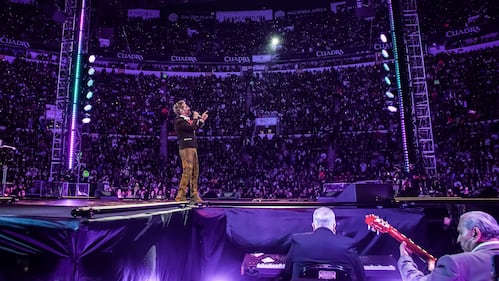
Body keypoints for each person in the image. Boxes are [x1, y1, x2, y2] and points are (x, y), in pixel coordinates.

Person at [398, 210, 499, 281]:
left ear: (475, 233)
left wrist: (406, 261)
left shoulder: (455, 263)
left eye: (461, 233)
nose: (459, 240)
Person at [285, 207, 365, 281]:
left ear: (313, 226)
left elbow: (287, 272)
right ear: (334, 226)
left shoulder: (298, 241)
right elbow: (361, 276)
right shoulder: (347, 244)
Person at [172, 100, 208, 203]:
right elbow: (191, 127)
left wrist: (201, 121)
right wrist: (196, 118)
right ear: (181, 110)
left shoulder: (187, 120)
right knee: (187, 170)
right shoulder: (179, 121)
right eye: (186, 106)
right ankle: (181, 195)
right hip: (186, 147)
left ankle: (194, 195)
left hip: (192, 146)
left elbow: (194, 128)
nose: (188, 108)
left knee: (195, 172)